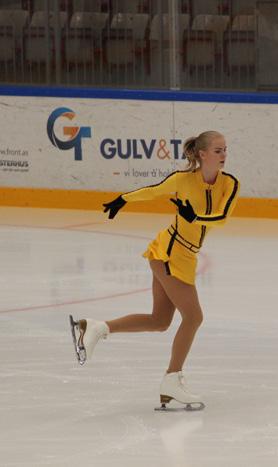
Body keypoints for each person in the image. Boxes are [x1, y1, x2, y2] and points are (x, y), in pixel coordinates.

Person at [70, 130, 240, 410]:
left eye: (225, 150)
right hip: (170, 251)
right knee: (194, 317)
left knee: (159, 320)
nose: (224, 155)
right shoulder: (181, 180)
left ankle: (97, 327)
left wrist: (194, 216)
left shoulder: (230, 184)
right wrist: (123, 199)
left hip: (184, 255)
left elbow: (222, 217)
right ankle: (172, 381)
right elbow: (153, 190)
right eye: (218, 150)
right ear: (202, 154)